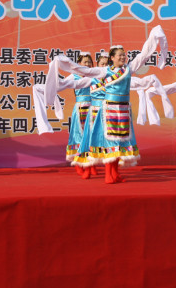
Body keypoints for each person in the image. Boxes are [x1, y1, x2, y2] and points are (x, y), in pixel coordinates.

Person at [44, 26, 167, 183]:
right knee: (110, 142)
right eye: (120, 55)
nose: (123, 57)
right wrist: (66, 63)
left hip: (123, 111)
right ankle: (108, 175)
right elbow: (85, 71)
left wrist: (153, 37)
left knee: (120, 143)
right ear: (112, 58)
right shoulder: (105, 72)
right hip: (108, 111)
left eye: (124, 55)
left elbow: (143, 55)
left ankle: (115, 173)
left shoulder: (128, 69)